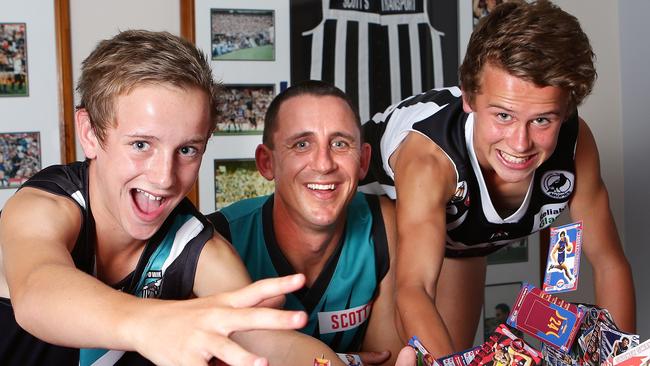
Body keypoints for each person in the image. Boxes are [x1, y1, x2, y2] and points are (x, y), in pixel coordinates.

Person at [0, 30, 351, 366]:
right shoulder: (44, 206)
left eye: (186, 150)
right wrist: (152, 323)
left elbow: (270, 344)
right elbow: (37, 290)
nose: (164, 177)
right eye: (141, 145)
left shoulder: (196, 247)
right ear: (90, 133)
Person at [359, 0, 635, 358]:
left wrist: (623, 358)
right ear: (470, 97)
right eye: (503, 115)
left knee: (458, 353)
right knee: (395, 357)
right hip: (371, 220)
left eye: (542, 121)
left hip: (463, 240)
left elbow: (609, 262)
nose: (519, 144)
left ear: (566, 110)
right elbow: (414, 290)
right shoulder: (430, 160)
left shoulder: (576, 144)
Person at [207, 81, 404, 365]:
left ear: (363, 161)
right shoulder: (217, 238)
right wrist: (346, 360)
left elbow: (386, 359)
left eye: (339, 144)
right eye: (302, 144)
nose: (323, 164)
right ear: (266, 163)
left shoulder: (383, 224)